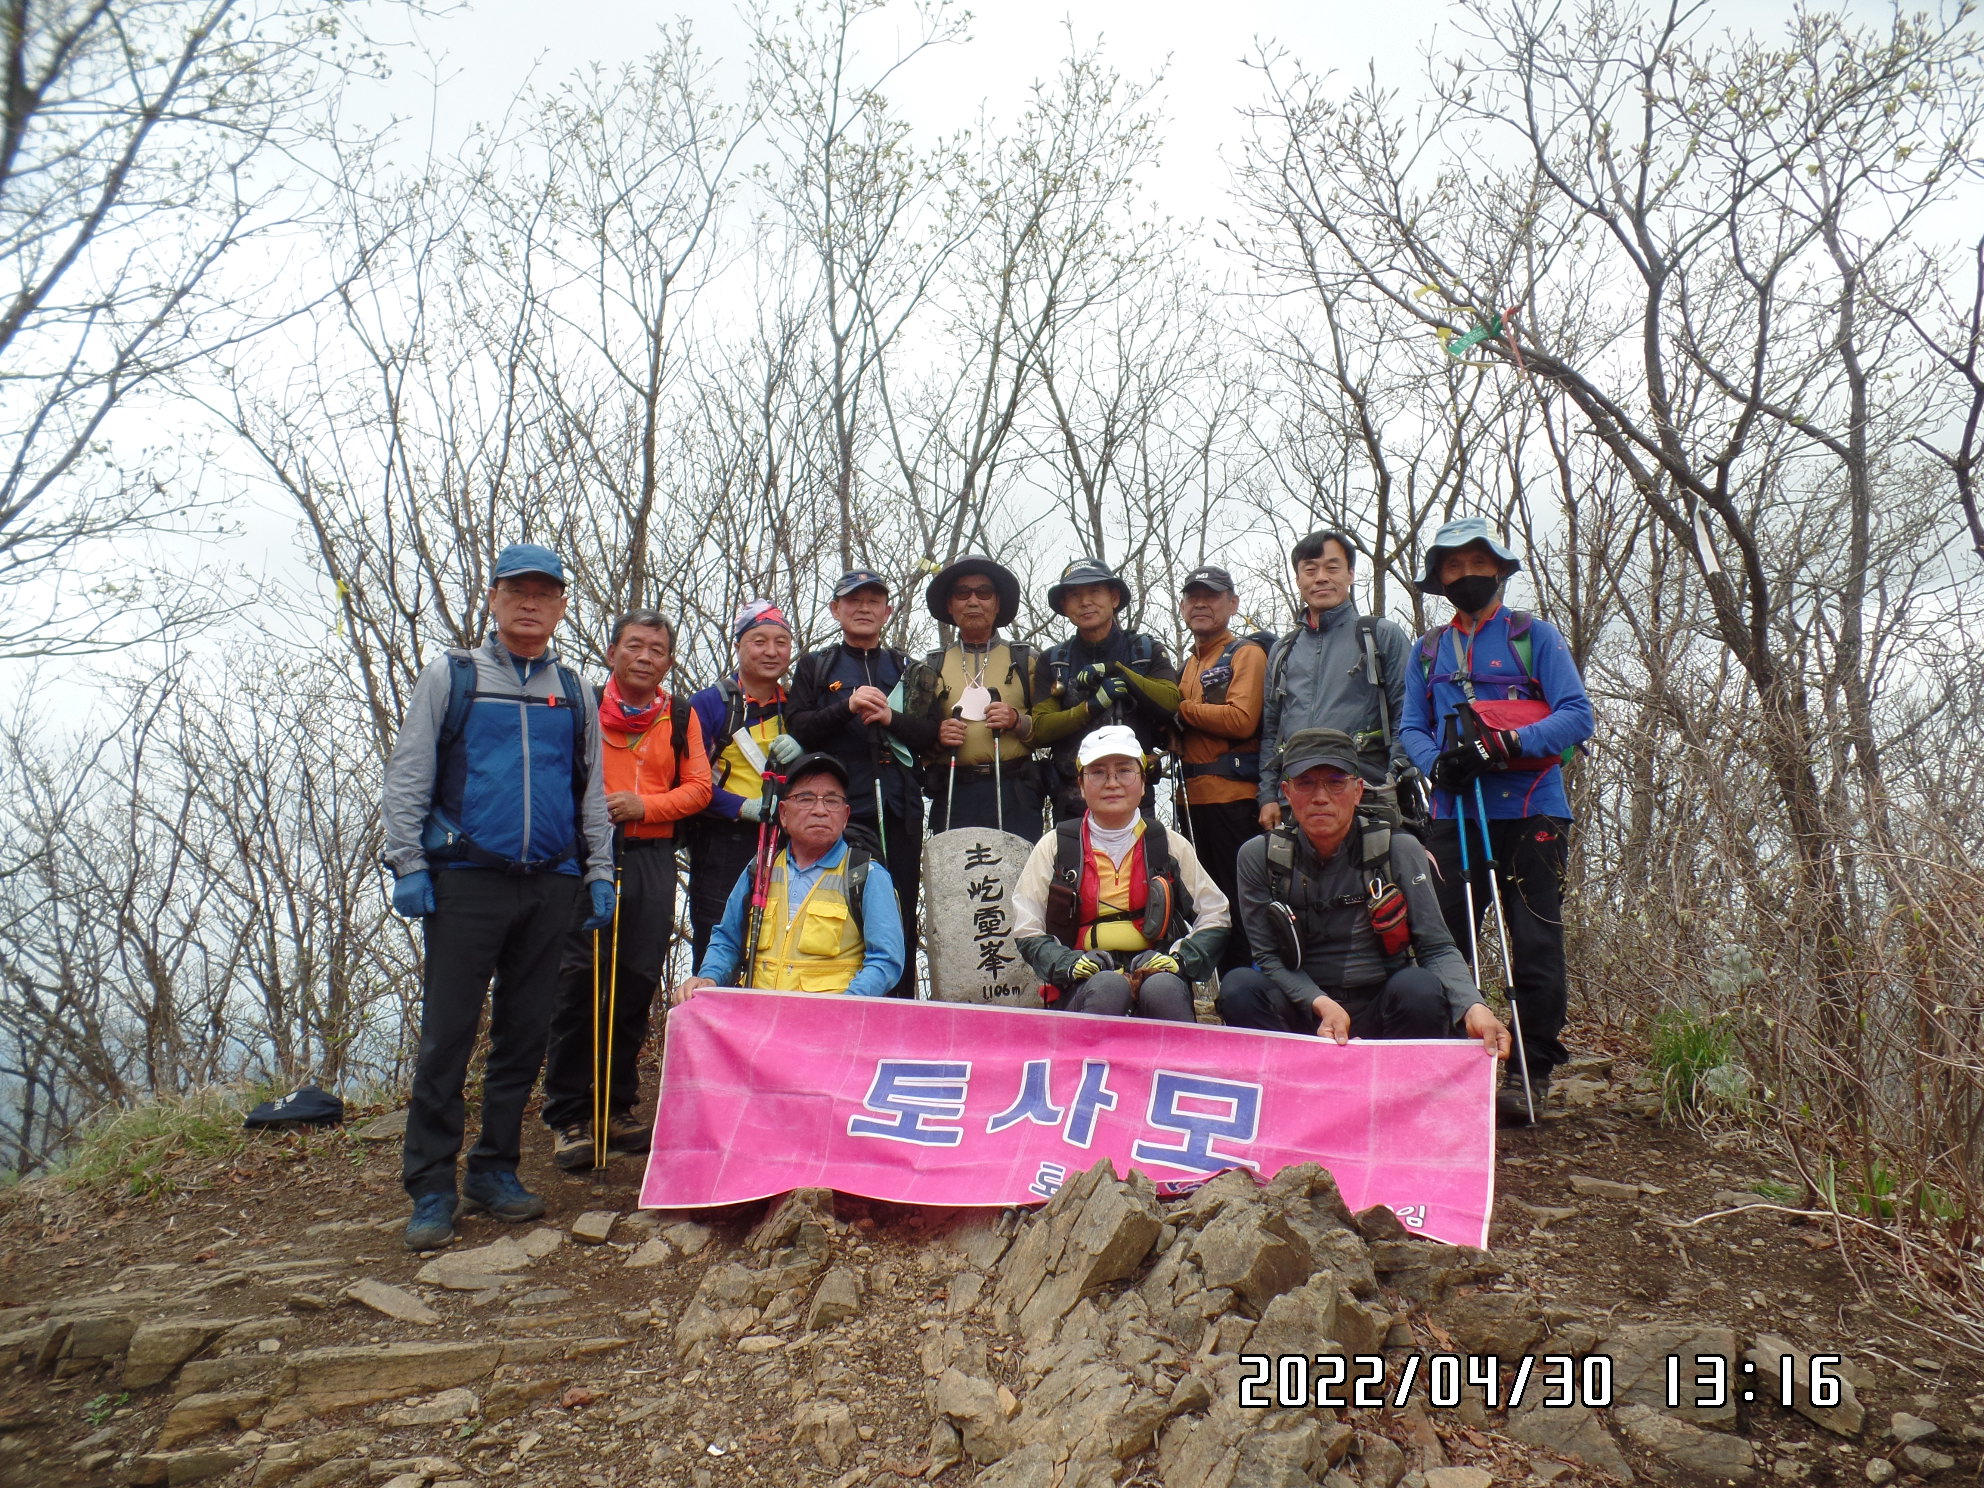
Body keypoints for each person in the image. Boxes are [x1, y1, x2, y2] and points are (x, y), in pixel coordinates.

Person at [380, 542, 616, 1251]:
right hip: (466, 879)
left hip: (550, 881)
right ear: (493, 598)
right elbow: (410, 771)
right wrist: (407, 862)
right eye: (517, 591)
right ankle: (431, 1185)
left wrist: (599, 872)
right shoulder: (452, 675)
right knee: (447, 1036)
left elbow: (591, 790)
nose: (530, 604)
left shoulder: (573, 690)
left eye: (544, 593)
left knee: (523, 1035)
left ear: (561, 606)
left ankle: (494, 1169)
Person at [1399, 517, 1595, 1126]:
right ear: (1439, 578)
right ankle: (1450, 1061)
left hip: (1534, 808)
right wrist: (1437, 764)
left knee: (1535, 938)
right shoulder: (1427, 650)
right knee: (1444, 936)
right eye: (1453, 566)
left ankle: (1530, 1068)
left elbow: (1577, 715)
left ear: (1500, 571)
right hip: (1454, 810)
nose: (1467, 575)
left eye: (1478, 563)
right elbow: (1411, 726)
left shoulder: (1535, 637)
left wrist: (1504, 744)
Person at [1220, 728, 1510, 1062]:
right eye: (1305, 783)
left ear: (1358, 790)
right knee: (1239, 987)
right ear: (1286, 792)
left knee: (1420, 988)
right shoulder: (1258, 856)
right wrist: (1322, 1005)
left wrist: (1473, 1006)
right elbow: (1267, 956)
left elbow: (1436, 947)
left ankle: (1398, 1082)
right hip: (1303, 1011)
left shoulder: (1399, 848)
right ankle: (1282, 1080)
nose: (1320, 797)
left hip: (1381, 1008)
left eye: (1335, 782)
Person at [539, 611, 712, 1171]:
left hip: (651, 857)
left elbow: (699, 788)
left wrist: (646, 806)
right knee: (578, 980)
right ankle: (568, 1114)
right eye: (634, 646)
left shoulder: (679, 715)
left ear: (668, 662)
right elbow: (555, 775)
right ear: (612, 653)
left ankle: (616, 1107)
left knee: (636, 979)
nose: (644, 657)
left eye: (656, 650)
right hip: (586, 857)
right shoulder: (583, 706)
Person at [786, 570, 939, 997]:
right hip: (838, 809)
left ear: (888, 612)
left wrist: (891, 718)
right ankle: (843, 1004)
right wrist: (847, 707)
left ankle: (900, 1009)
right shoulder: (816, 666)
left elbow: (932, 733)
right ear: (836, 609)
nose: (864, 609)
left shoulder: (908, 668)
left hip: (898, 808)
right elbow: (798, 726)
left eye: (874, 601)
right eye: (854, 601)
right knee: (839, 912)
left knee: (900, 912)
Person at [1012, 726, 1228, 1020]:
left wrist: (1179, 960)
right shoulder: (1056, 846)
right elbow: (1027, 927)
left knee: (1163, 988)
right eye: (1098, 773)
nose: (1112, 782)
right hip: (1083, 985)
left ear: (1143, 782)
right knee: (1108, 987)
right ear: (1081, 784)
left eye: (1125, 771)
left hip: (1156, 975)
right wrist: (1067, 963)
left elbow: (1216, 914)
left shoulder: (1168, 844)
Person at [677, 752, 905, 999]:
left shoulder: (866, 875)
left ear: (845, 815)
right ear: (783, 814)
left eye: (832, 801)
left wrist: (845, 1006)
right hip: (757, 1017)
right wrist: (709, 978)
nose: (820, 810)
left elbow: (886, 960)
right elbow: (727, 940)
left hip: (830, 1020)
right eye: (806, 799)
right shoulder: (760, 868)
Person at [1258, 531, 1413, 832]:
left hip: (1367, 794)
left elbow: (1406, 712)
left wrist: (1395, 779)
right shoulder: (1283, 650)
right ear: (1298, 579)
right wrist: (1267, 796)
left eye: (1332, 568)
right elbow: (1271, 731)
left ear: (1350, 574)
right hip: (1295, 799)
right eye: (1310, 569)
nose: (1321, 578)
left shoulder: (1380, 635)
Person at [685, 600, 801, 973]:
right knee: (718, 939)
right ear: (739, 645)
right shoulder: (710, 704)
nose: (771, 651)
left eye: (781, 642)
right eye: (759, 641)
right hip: (723, 840)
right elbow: (689, 780)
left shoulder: (797, 707)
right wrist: (740, 807)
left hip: (786, 841)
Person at [1030, 557, 1181, 823]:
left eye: (1094, 591)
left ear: (1114, 597)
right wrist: (1092, 706)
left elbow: (1170, 702)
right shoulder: (1053, 662)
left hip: (1135, 796)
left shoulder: (1146, 652)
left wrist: (1119, 671)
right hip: (1072, 798)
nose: (1085, 602)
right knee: (1073, 852)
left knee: (1142, 851)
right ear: (1064, 605)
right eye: (1074, 595)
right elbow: (1041, 728)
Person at [1170, 564, 1269, 972]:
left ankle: (1248, 986)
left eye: (1210, 596)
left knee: (1240, 901)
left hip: (1234, 800)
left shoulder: (1246, 653)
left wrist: (1180, 709)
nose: (1200, 604)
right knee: (1205, 904)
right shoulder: (1186, 666)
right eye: (1192, 597)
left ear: (1233, 604)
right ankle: (1222, 986)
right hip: (1190, 803)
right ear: (1182, 607)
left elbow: (1241, 719)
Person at [921, 554, 1046, 841]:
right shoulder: (931, 666)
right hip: (954, 790)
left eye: (984, 592)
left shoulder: (1026, 659)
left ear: (997, 603)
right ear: (950, 605)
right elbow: (915, 738)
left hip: (1016, 791)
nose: (973, 601)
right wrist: (937, 738)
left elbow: (1049, 728)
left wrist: (1016, 721)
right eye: (962, 593)